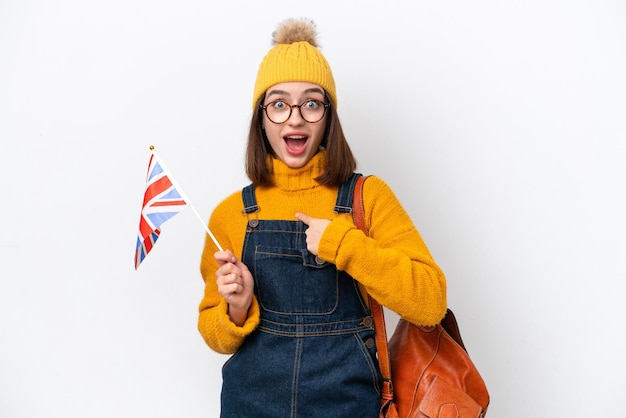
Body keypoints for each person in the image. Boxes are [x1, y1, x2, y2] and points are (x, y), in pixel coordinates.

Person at [197, 18, 447, 417]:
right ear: (260, 118)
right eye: (278, 104)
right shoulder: (232, 213)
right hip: (252, 405)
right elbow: (216, 337)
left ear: (328, 116)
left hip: (347, 406)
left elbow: (430, 303)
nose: (294, 118)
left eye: (311, 103)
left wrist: (344, 244)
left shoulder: (368, 198)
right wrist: (237, 308)